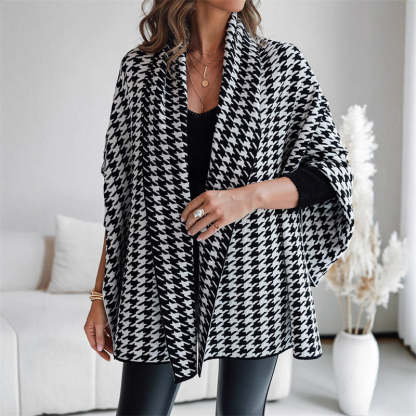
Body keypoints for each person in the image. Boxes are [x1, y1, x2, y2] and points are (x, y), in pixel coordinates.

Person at [84, 1, 354, 415]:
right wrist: (98, 295)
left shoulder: (280, 66)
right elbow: (122, 199)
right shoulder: (141, 71)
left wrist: (246, 198)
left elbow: (329, 173)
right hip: (157, 276)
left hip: (252, 278)